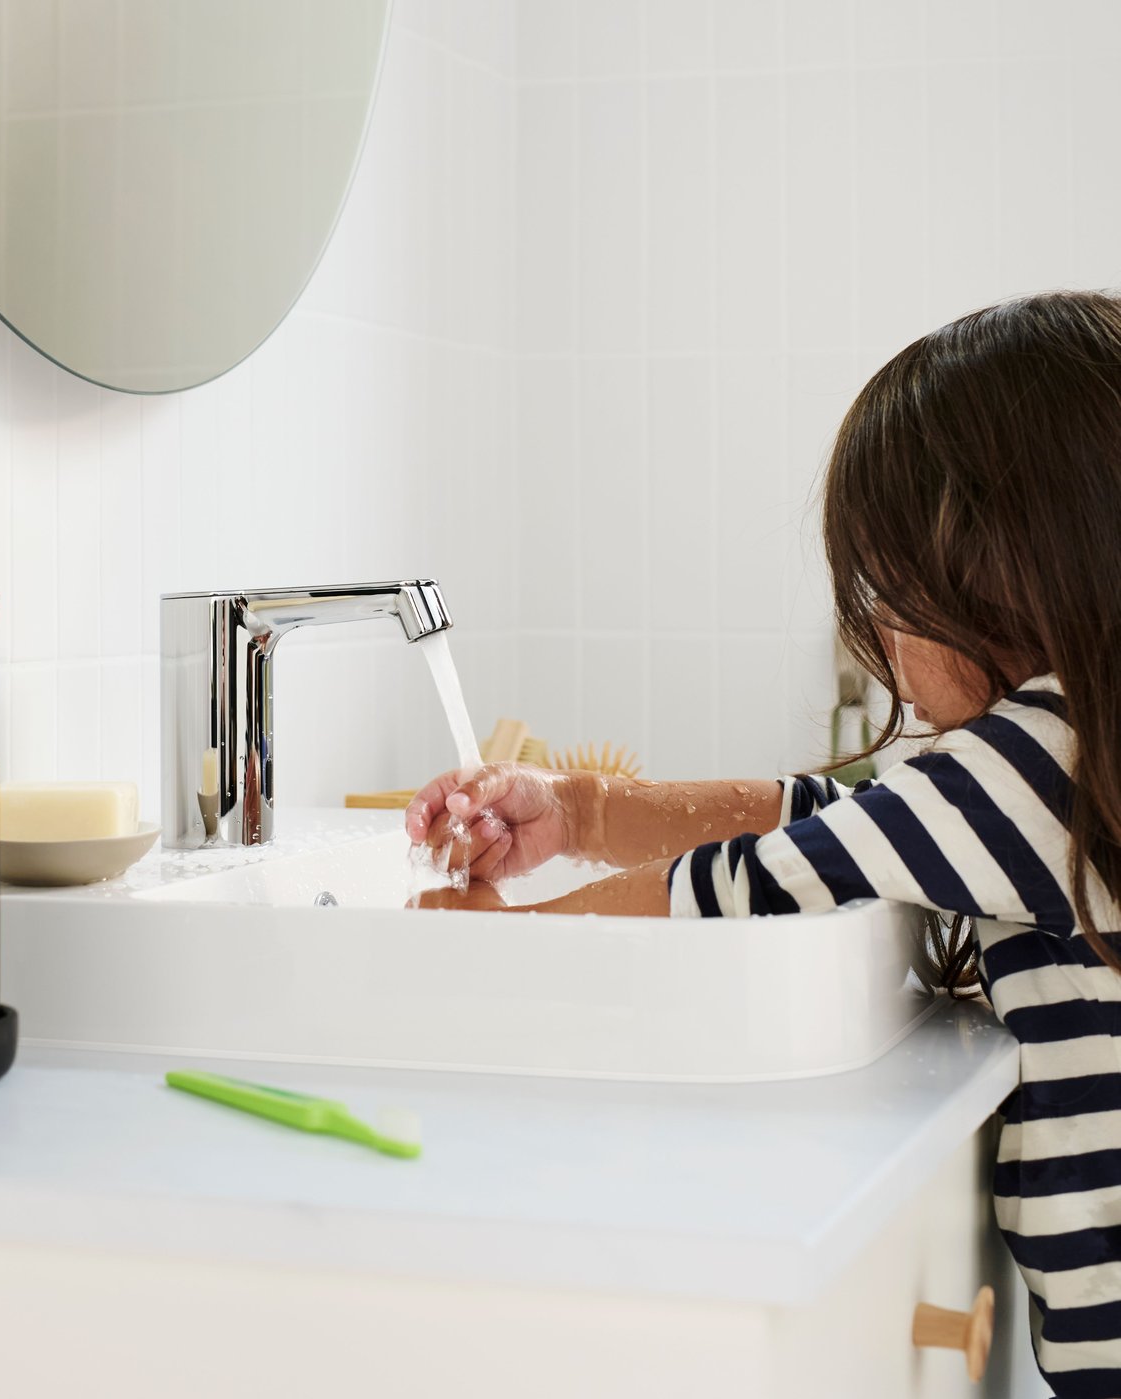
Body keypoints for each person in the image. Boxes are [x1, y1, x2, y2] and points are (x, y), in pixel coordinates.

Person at [406, 290, 1121, 1396]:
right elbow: (827, 817)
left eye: (885, 590)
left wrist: (500, 939)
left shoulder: (1041, 757)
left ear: (990, 571)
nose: (878, 632)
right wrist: (580, 812)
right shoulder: (1072, 746)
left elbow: (756, 880)